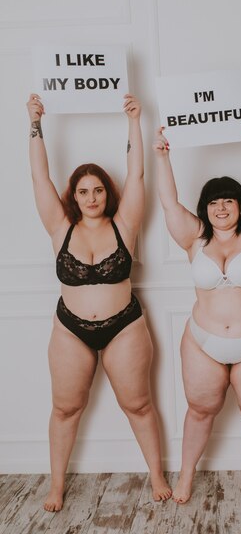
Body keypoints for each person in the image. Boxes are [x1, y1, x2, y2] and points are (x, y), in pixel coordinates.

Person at [27, 93, 171, 511]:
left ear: (108, 192)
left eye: (98, 190)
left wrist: (134, 121)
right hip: (70, 328)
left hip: (124, 326)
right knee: (66, 408)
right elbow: (39, 177)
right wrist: (35, 123)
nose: (91, 197)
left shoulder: (125, 223)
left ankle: (157, 475)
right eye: (83, 191)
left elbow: (138, 173)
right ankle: (56, 485)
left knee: (138, 404)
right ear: (74, 195)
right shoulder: (60, 228)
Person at [153, 112, 241, 514]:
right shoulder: (194, 240)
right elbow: (167, 202)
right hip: (203, 342)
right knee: (200, 411)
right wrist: (163, 157)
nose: (220, 207)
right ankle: (185, 475)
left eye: (228, 200)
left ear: (239, 205)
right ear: (206, 208)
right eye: (213, 202)